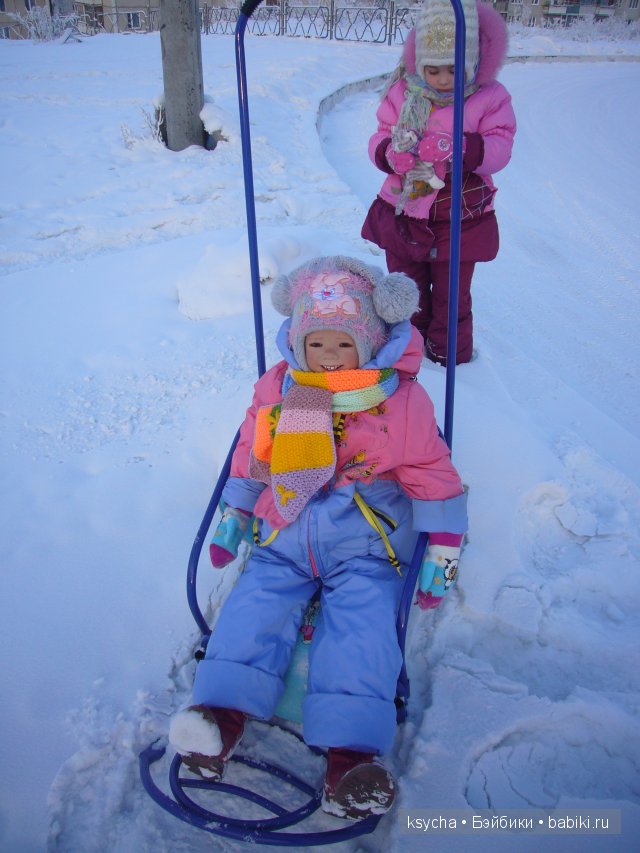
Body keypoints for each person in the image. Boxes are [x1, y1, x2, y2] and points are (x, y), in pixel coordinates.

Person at [169, 256, 468, 819]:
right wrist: (235, 515)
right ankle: (219, 716)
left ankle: (350, 758)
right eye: (317, 345)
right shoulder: (282, 389)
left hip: (364, 541)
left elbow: (433, 471)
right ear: (298, 343)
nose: (328, 358)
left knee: (363, 623)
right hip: (284, 524)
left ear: (373, 344)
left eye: (343, 346)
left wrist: (444, 554)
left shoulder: (398, 402)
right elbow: (253, 453)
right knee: (255, 601)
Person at [361, 0, 516, 365]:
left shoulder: (489, 97)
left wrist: (461, 147)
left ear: (474, 64)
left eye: (454, 70)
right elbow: (380, 133)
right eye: (433, 70)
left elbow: (501, 146)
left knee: (451, 296)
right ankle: (410, 351)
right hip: (404, 210)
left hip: (459, 215)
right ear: (419, 64)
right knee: (407, 289)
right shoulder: (403, 92)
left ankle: (450, 359)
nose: (444, 80)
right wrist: (388, 153)